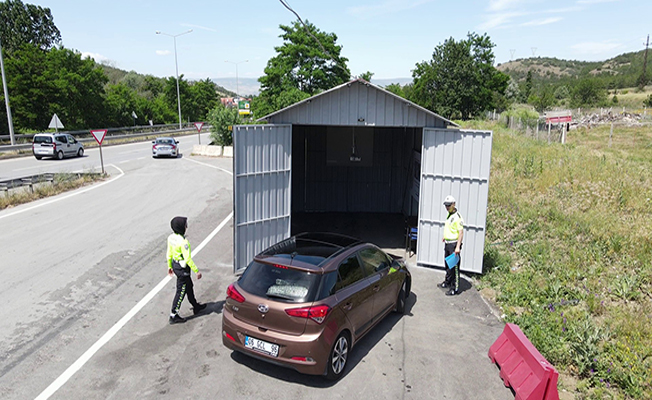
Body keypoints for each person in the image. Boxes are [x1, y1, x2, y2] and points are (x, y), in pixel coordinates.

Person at [167, 216, 206, 324]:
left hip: (175, 265)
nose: (187, 226)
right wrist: (196, 270)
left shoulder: (171, 238)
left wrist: (169, 266)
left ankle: (195, 306)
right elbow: (188, 259)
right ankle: (173, 314)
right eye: (185, 225)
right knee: (181, 291)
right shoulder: (183, 242)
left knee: (189, 286)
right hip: (182, 268)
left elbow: (169, 253)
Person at [438, 195, 464, 296]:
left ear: (454, 204)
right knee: (448, 265)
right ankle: (447, 282)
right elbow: (450, 229)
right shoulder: (449, 215)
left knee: (454, 267)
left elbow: (460, 233)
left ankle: (455, 288)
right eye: (446, 205)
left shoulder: (457, 217)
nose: (447, 207)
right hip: (448, 243)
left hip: (454, 244)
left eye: (449, 205)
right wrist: (445, 237)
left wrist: (457, 247)